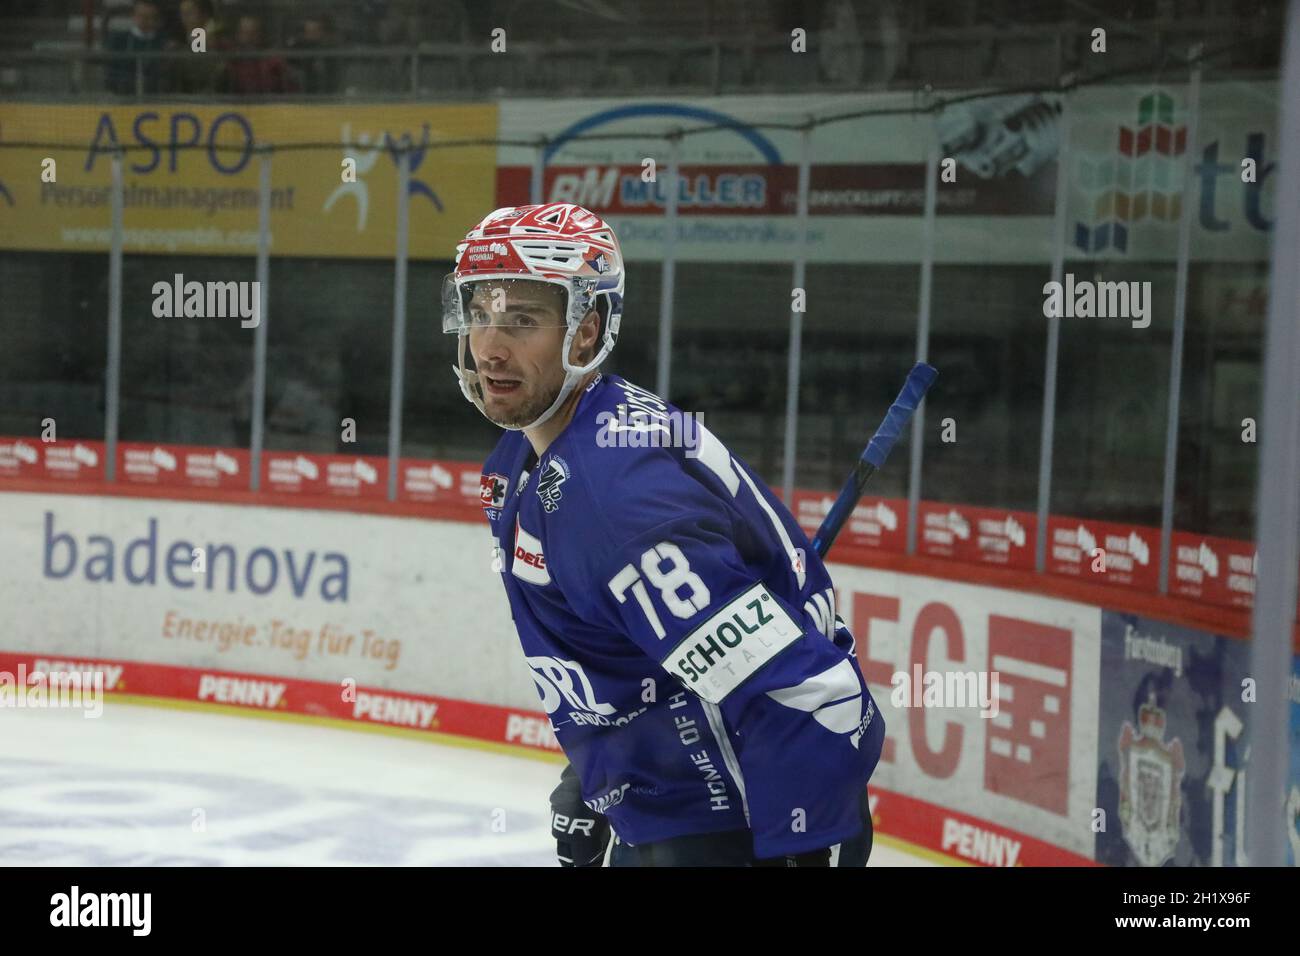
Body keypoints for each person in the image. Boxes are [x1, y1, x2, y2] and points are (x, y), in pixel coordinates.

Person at [443, 202, 884, 866]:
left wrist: (805, 843)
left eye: (523, 320)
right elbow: (640, 658)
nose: (489, 345)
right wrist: (600, 777)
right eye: (480, 313)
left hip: (734, 830)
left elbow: (808, 695)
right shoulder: (528, 459)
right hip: (672, 810)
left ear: (586, 333)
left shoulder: (617, 500)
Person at [217, 13, 298, 94]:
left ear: (261, 35)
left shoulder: (274, 62)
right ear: (238, 35)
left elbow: (290, 94)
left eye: (253, 33)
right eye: (244, 33)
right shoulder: (231, 61)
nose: (249, 38)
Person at [105, 0, 166, 95]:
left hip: (155, 96)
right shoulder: (118, 40)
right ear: (134, 16)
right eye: (142, 17)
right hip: (122, 95)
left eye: (151, 17)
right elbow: (111, 72)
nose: (146, 21)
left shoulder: (163, 42)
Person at [170, 0, 227, 94]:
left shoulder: (218, 39)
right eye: (182, 13)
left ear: (204, 14)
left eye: (189, 13)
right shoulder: (179, 38)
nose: (185, 18)